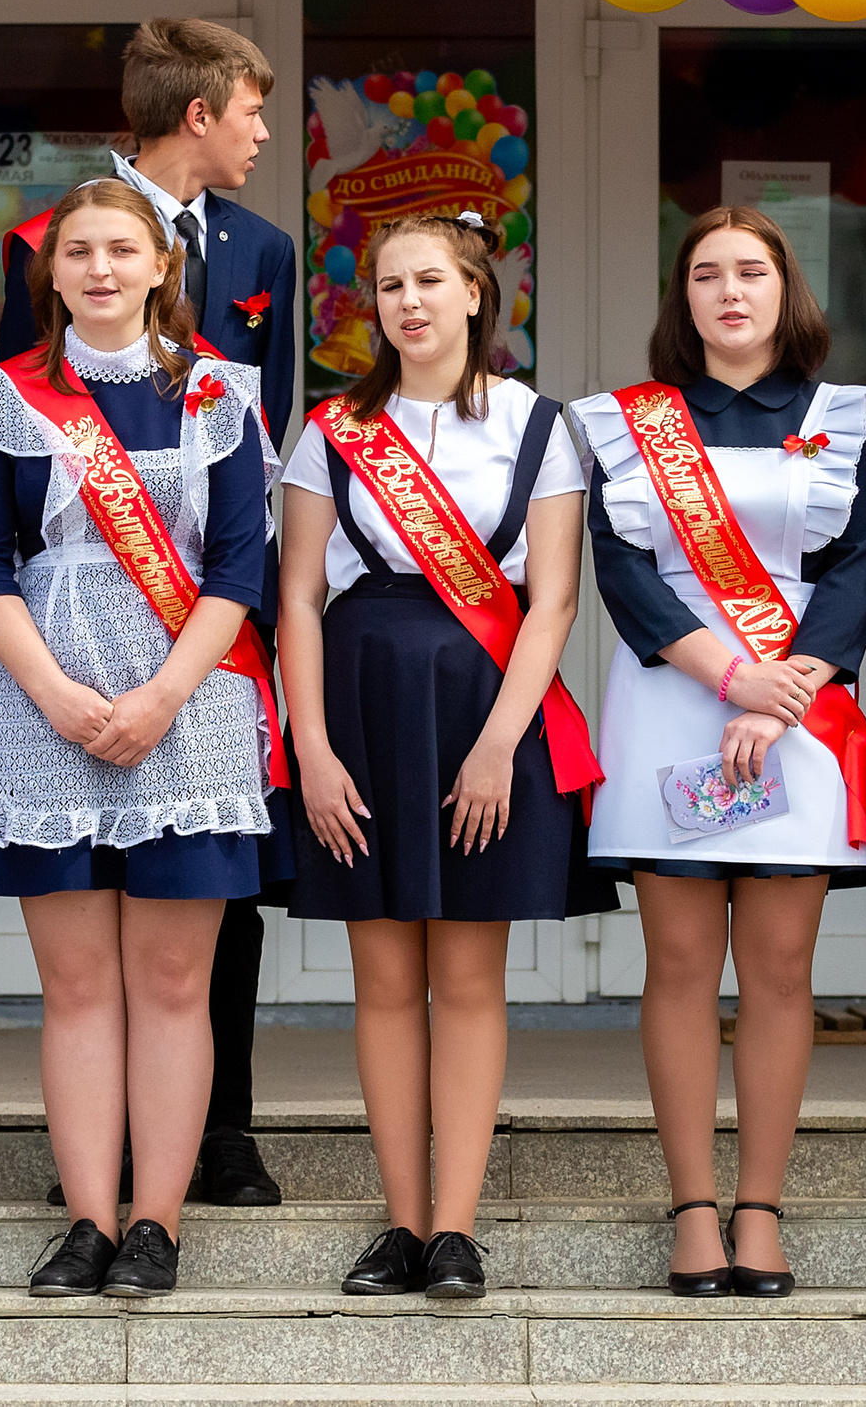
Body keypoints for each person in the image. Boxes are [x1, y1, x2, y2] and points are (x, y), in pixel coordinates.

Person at [0, 179, 285, 1299]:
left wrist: (159, 698)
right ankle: (88, 1220)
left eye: (121, 250)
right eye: (76, 252)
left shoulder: (219, 398)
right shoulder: (5, 398)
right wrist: (51, 694)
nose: (98, 268)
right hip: (49, 710)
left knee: (173, 982)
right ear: (48, 275)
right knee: (79, 986)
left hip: (187, 714)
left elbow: (241, 570)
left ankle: (157, 1224)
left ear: (161, 267)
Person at [280, 213, 612, 1300]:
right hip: (365, 703)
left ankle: (458, 1227)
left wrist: (498, 748)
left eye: (430, 280)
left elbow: (553, 600)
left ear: (477, 292)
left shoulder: (540, 427)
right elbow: (296, 598)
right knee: (381, 981)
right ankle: (402, 1224)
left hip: (486, 707)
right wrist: (313, 751)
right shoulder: (331, 428)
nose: (407, 302)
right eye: (388, 286)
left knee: (467, 979)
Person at [0, 17, 296, 1207]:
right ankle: (94, 1147)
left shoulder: (264, 246)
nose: (265, 134)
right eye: (251, 111)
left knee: (211, 882)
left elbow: (273, 427)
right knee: (91, 898)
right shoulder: (51, 235)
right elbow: (31, 420)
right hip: (82, 606)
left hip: (216, 593)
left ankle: (219, 1128)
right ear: (197, 116)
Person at [572, 206, 866, 1300]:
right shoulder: (624, 421)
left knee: (782, 970)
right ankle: (692, 1207)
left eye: (751, 271)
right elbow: (622, 571)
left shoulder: (846, 416)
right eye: (706, 274)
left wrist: (782, 687)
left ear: (785, 288)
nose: (730, 291)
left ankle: (760, 1203)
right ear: (683, 295)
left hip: (799, 707)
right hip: (674, 697)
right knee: (680, 966)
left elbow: (859, 565)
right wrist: (730, 679)